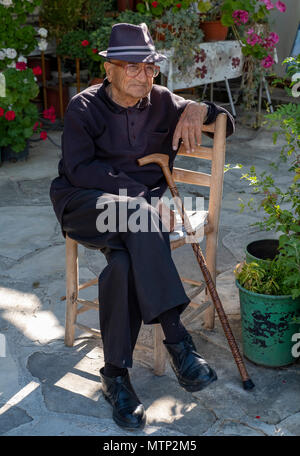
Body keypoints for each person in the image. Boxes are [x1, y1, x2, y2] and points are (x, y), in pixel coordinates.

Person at [49, 22, 235, 430]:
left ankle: (115, 375)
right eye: (131, 67)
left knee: (124, 265)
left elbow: (223, 116)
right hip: (83, 203)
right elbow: (79, 169)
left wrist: (199, 108)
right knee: (141, 215)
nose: (142, 75)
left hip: (138, 218)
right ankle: (178, 343)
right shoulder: (84, 106)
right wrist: (140, 197)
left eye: (149, 67)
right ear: (110, 70)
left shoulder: (163, 101)